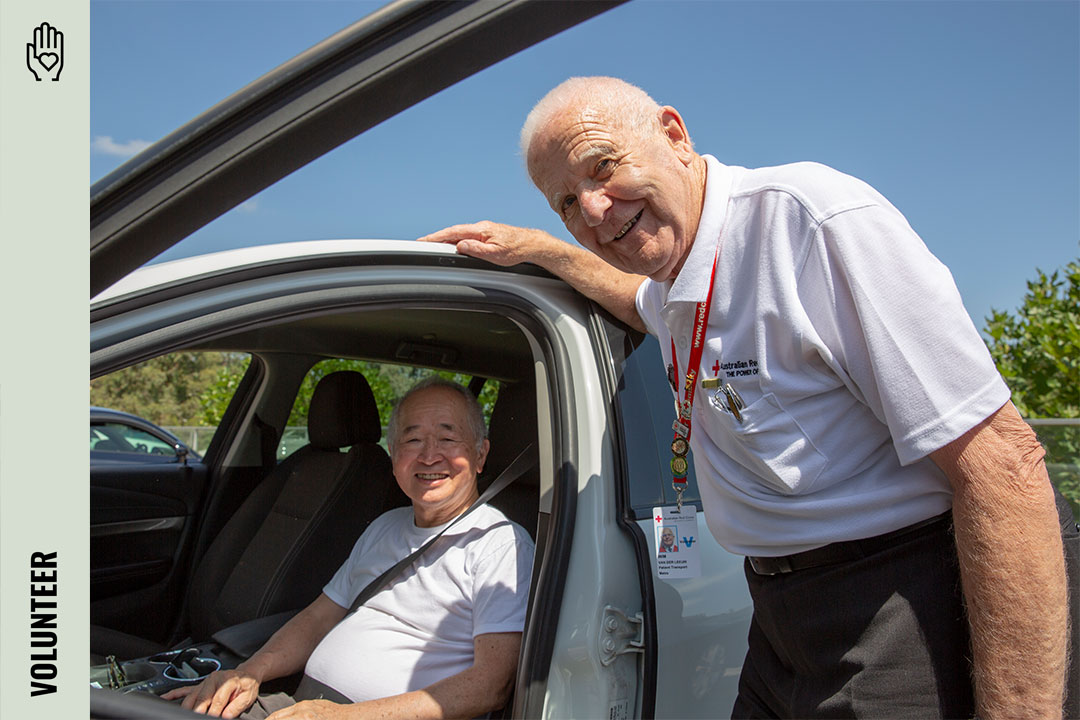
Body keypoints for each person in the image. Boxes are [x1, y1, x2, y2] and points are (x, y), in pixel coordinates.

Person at [420, 76, 1073, 719]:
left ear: (674, 136)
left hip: (903, 592)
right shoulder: (676, 280)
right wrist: (538, 251)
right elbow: (634, 300)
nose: (591, 210)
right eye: (566, 202)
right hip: (782, 614)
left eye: (603, 167)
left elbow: (1005, 466)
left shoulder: (809, 223)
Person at [163, 378, 534, 719]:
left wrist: (340, 717)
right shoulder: (386, 526)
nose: (429, 455)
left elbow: (489, 686)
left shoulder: (499, 544)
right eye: (413, 439)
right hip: (304, 705)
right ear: (393, 455)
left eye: (448, 438)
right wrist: (248, 673)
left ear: (480, 455)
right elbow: (318, 617)